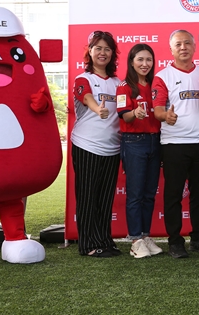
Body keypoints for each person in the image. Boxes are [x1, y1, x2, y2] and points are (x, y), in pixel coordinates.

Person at [153, 30, 199, 258]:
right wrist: (165, 116)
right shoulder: (163, 76)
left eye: (187, 43)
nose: (183, 47)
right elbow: (157, 109)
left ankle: (198, 239)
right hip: (174, 144)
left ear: (194, 47)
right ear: (171, 49)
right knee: (173, 196)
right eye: (178, 44)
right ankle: (175, 242)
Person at [71, 30, 122, 258]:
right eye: (98, 48)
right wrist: (97, 109)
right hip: (87, 145)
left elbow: (125, 107)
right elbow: (86, 97)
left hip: (112, 148)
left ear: (112, 54)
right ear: (90, 52)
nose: (103, 53)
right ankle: (88, 245)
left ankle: (104, 240)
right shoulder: (84, 79)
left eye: (107, 49)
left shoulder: (117, 82)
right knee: (88, 197)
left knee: (105, 198)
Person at [116, 43, 162, 259]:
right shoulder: (124, 86)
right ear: (132, 62)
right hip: (134, 142)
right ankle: (135, 240)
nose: (145, 64)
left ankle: (145, 235)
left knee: (149, 193)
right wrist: (134, 112)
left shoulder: (155, 84)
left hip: (155, 141)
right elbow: (124, 116)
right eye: (140, 59)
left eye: (149, 60)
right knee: (135, 194)